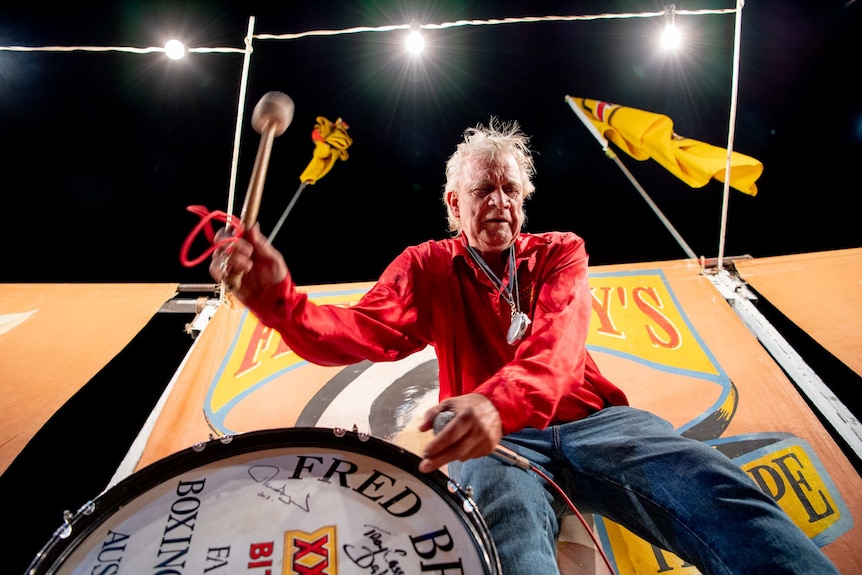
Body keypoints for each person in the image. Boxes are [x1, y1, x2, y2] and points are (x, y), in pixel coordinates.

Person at [209, 120, 839, 575]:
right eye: (484, 190)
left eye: (510, 189)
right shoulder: (426, 266)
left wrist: (496, 403)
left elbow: (557, 345)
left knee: (712, 483)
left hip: (597, 422)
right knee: (501, 531)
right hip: (494, 445)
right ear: (454, 203)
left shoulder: (560, 251)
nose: (500, 202)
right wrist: (277, 300)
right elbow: (357, 333)